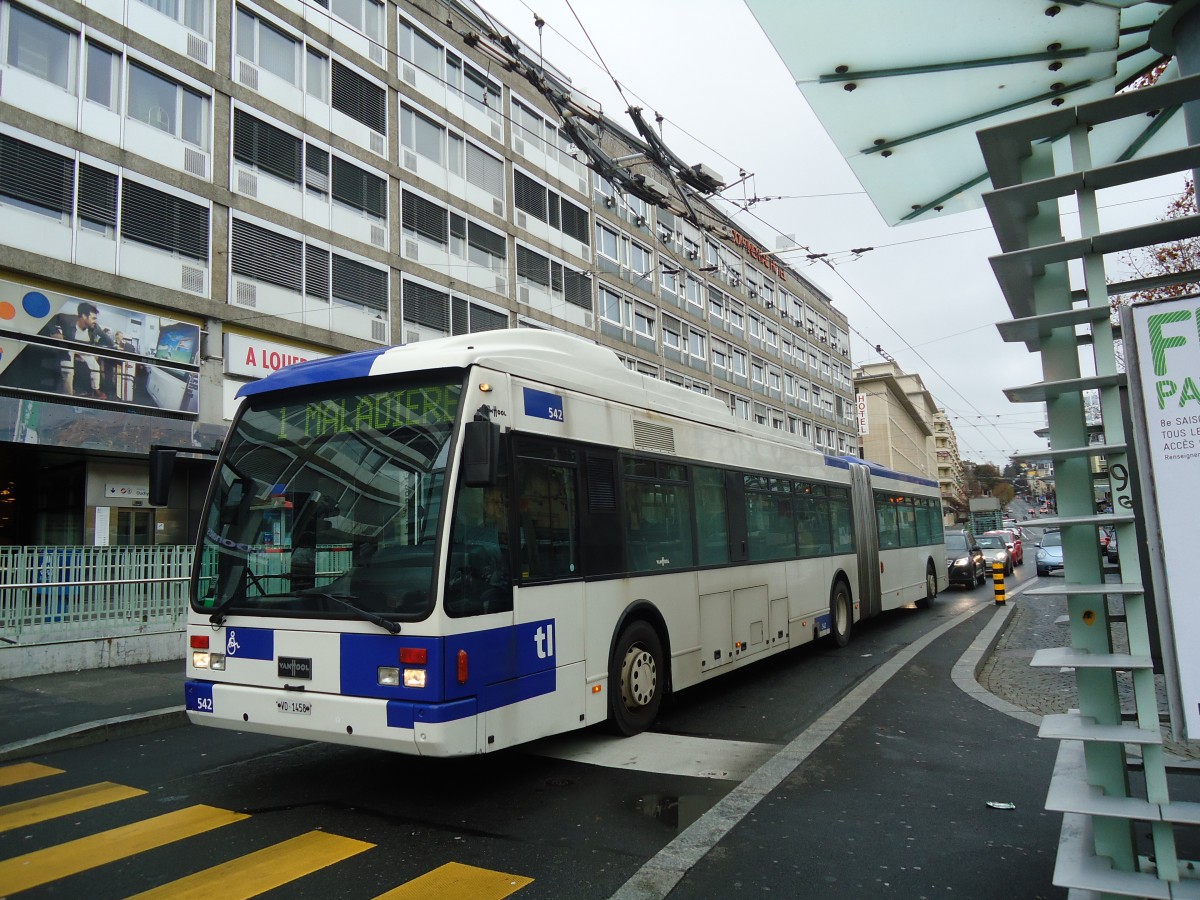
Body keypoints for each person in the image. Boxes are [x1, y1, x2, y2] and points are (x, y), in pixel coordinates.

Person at [448, 484, 511, 615]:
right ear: (485, 505)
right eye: (494, 502)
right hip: (477, 588)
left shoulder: (511, 532)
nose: (499, 506)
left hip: (503, 592)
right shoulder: (473, 534)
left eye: (501, 502)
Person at [39, 301, 115, 399]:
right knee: (68, 371)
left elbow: (107, 340)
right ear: (83, 316)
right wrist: (55, 331)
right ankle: (68, 395)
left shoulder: (95, 327)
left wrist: (98, 347)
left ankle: (96, 390)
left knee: (95, 367)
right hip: (69, 347)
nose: (95, 321)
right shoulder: (66, 319)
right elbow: (47, 320)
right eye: (93, 318)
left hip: (84, 348)